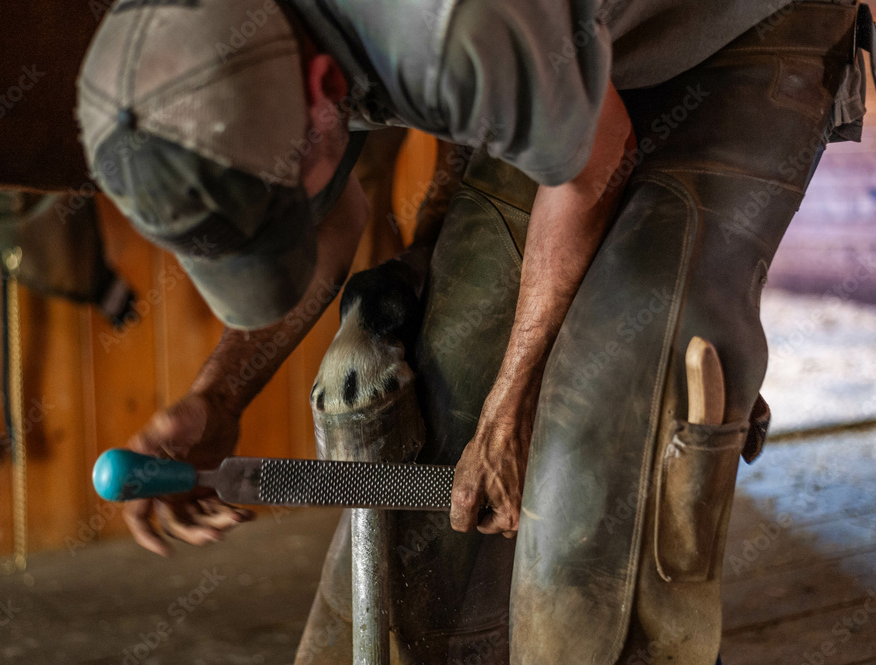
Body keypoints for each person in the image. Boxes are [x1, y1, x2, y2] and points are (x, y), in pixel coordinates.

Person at [76, 1, 872, 663]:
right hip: (560, 53)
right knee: (438, 388)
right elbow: (334, 214)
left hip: (736, 31)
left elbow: (595, 158)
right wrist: (219, 394)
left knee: (605, 440)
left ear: (320, 85)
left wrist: (511, 402)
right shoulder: (187, 48)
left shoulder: (450, 23)